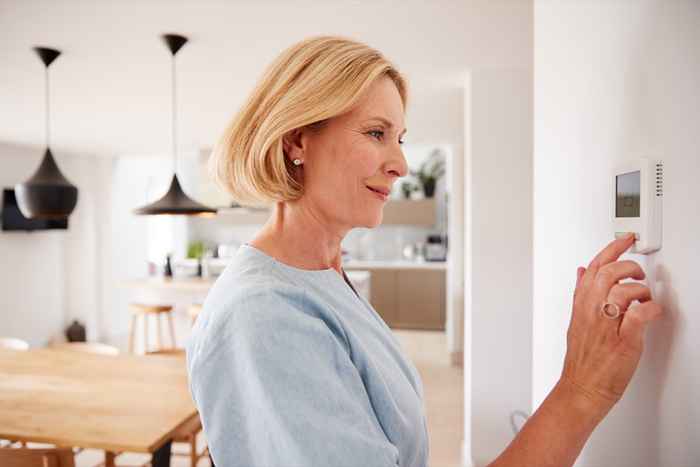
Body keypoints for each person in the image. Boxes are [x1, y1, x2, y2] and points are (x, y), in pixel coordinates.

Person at [185, 35, 664, 467]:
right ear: (296, 142)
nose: (400, 164)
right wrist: (581, 391)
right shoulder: (266, 315)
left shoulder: (323, 276)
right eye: (376, 133)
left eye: (400, 138)